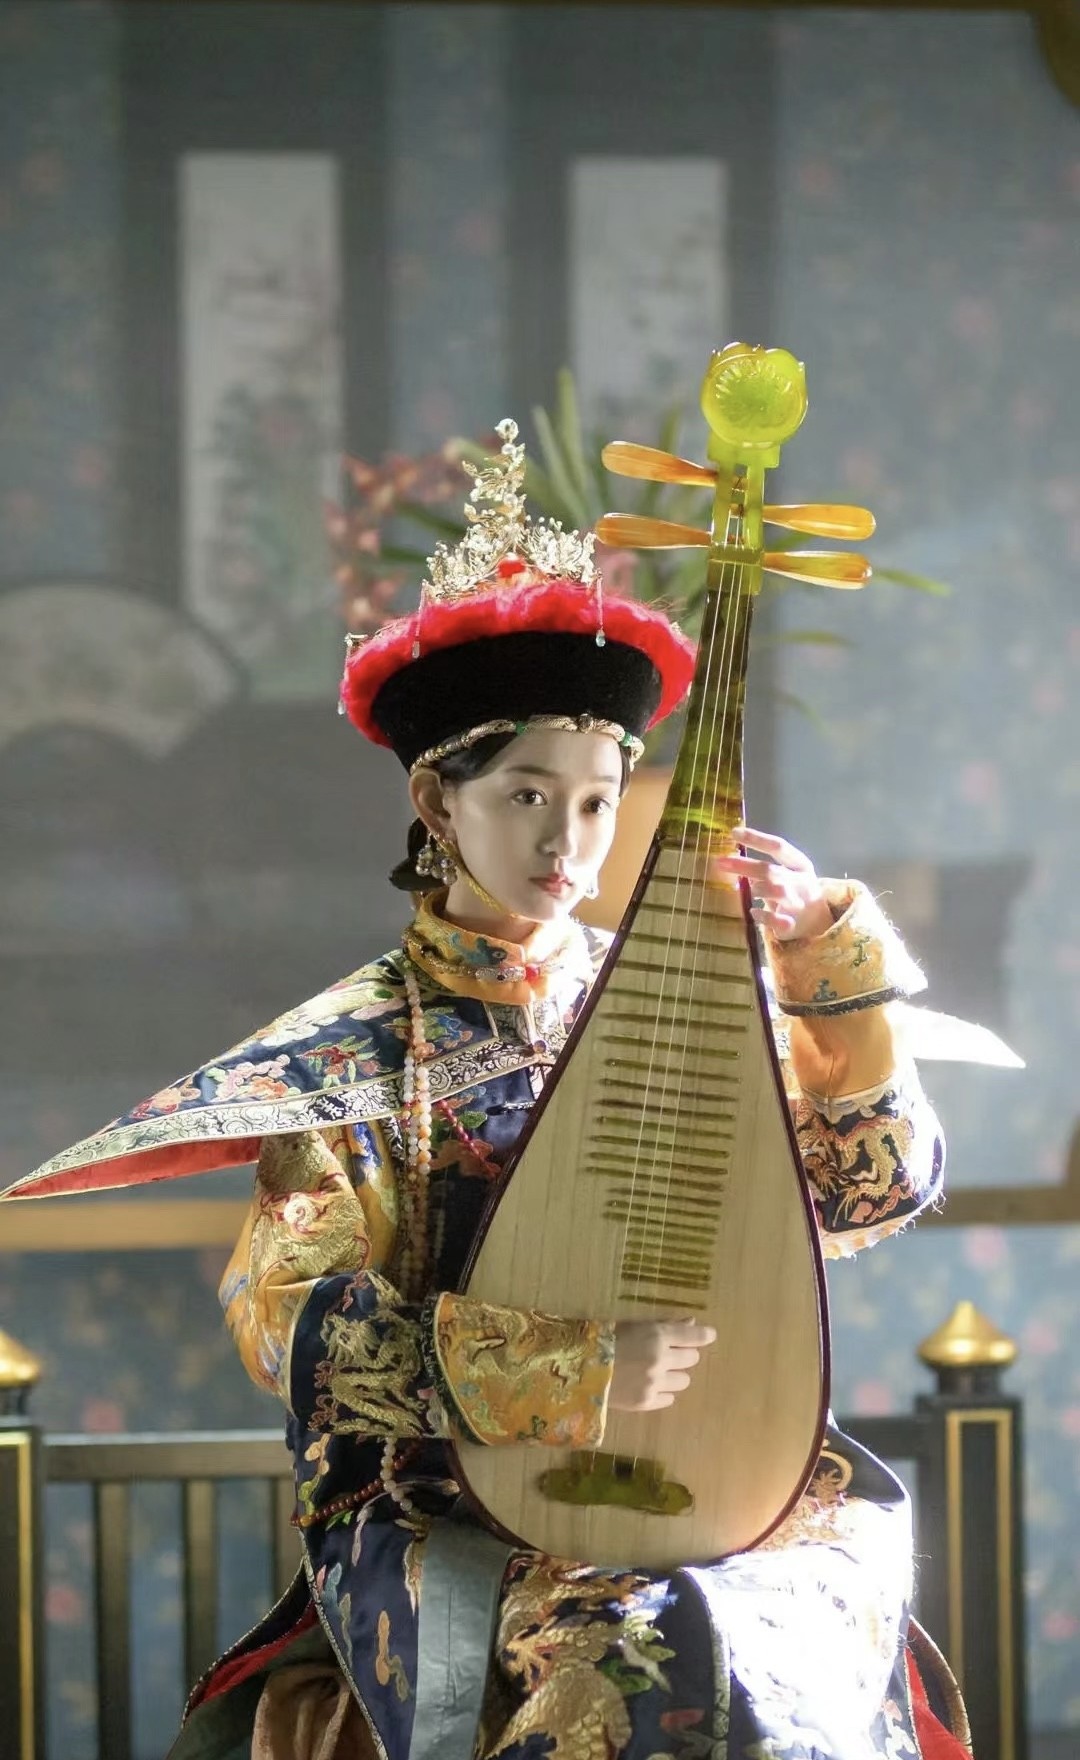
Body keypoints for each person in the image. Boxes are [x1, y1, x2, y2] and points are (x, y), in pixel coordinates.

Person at [5, 425, 972, 1760]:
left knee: (800, 1619)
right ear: (436, 798)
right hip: (446, 1503)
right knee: (634, 1653)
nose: (566, 842)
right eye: (525, 794)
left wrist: (827, 966)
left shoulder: (673, 1003)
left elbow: (865, 1195)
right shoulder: (359, 1054)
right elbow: (295, 1330)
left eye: (596, 801)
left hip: (720, 1471)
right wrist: (575, 1368)